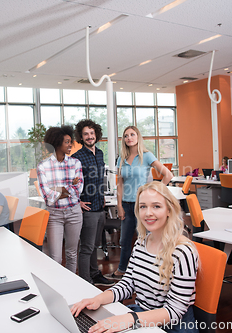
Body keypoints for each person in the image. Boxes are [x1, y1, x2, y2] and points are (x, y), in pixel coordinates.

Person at [71, 182, 198, 333]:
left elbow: (174, 312)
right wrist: (98, 299)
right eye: (143, 206)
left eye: (156, 206)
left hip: (171, 326)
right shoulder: (141, 242)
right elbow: (128, 283)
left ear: (169, 210)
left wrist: (131, 319)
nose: (148, 213)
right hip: (142, 317)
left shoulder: (183, 252)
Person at [109, 126, 173, 279]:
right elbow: (120, 183)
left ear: (138, 137)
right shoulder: (121, 159)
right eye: (126, 135)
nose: (129, 137)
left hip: (142, 207)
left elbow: (168, 175)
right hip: (126, 205)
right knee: (124, 241)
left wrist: (155, 194)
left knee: (147, 240)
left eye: (132, 134)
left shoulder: (146, 156)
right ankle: (122, 270)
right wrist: (119, 205)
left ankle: (150, 273)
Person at [72, 119, 114, 287]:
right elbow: (70, 183)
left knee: (95, 245)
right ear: (81, 138)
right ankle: (85, 281)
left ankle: (95, 274)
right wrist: (78, 201)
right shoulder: (76, 158)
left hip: (99, 205)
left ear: (96, 134)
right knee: (86, 247)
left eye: (91, 133)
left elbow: (100, 178)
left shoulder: (101, 153)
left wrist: (103, 195)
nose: (89, 137)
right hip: (87, 207)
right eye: (85, 134)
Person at [37, 125, 83, 273]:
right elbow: (47, 196)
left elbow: (78, 190)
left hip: (74, 213)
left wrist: (57, 189)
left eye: (71, 141)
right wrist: (68, 188)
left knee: (71, 254)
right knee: (55, 258)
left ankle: (70, 289)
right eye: (67, 142)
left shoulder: (75, 163)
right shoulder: (43, 166)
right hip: (54, 215)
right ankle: (57, 286)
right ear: (57, 143)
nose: (70, 145)